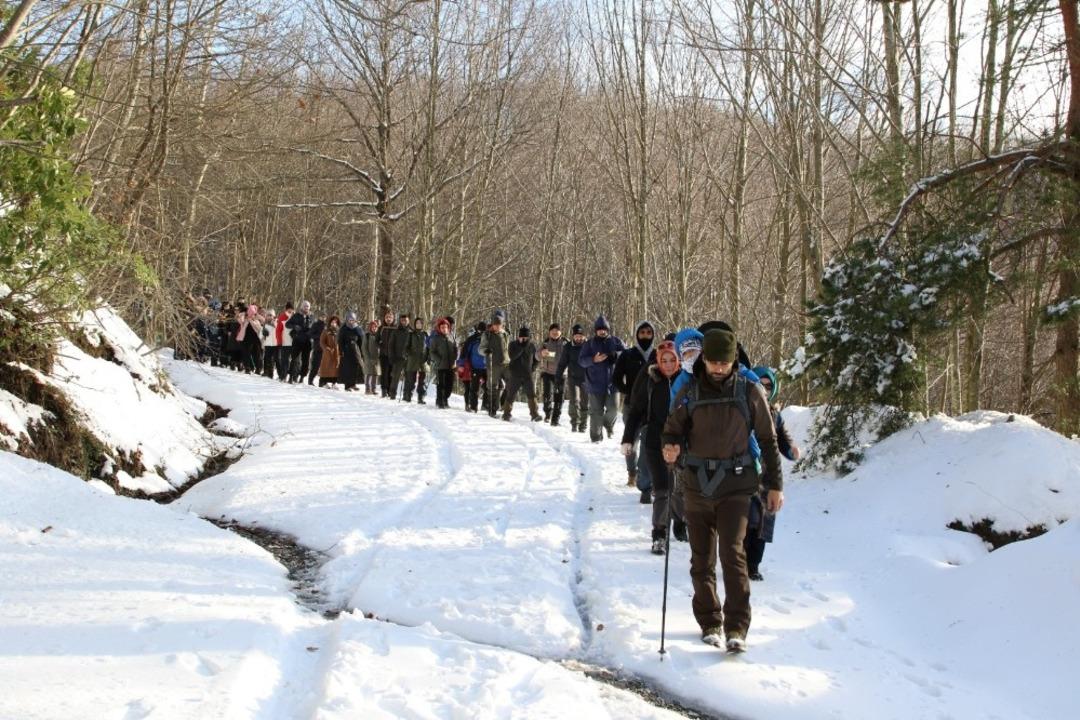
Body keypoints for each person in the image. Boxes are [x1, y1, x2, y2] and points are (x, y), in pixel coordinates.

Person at [661, 328, 784, 654]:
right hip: (696, 484)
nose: (718, 368)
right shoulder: (688, 390)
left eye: (724, 363)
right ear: (704, 359)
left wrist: (775, 485)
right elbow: (671, 430)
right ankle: (710, 622)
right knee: (702, 559)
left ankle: (737, 627)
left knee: (733, 553)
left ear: (733, 361)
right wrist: (670, 446)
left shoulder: (749, 390)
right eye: (713, 361)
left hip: (737, 485)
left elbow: (768, 439)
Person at [622, 339, 687, 553]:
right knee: (662, 488)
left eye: (672, 360)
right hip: (654, 441)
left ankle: (680, 522)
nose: (668, 365)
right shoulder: (651, 381)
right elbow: (636, 411)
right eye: (664, 360)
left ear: (678, 360)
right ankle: (659, 533)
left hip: (680, 442)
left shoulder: (687, 381)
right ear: (658, 361)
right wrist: (628, 438)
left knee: (679, 488)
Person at [744, 366, 800, 581]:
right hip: (744, 473)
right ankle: (740, 561)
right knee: (746, 521)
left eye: (768, 386)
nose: (764, 389)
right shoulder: (743, 408)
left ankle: (754, 565)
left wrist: (791, 450)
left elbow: (782, 440)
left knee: (763, 522)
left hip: (768, 475)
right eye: (760, 384)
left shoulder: (775, 415)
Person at [613, 320, 656, 488]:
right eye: (642, 332)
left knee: (650, 443)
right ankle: (632, 472)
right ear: (637, 334)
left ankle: (648, 477)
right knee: (632, 440)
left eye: (648, 333)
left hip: (653, 406)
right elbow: (616, 378)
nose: (645, 336)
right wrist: (628, 391)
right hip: (632, 406)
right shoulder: (627, 354)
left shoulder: (658, 354)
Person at [578, 315, 625, 443]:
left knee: (614, 409)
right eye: (599, 329)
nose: (602, 331)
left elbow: (627, 354)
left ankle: (608, 424)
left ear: (608, 330)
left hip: (613, 383)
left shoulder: (616, 341)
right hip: (594, 384)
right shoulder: (589, 344)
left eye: (604, 329)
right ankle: (596, 438)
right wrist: (593, 359)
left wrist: (616, 355)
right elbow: (581, 361)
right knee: (595, 412)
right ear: (596, 331)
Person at [503, 326, 543, 422]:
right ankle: (506, 414)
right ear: (518, 337)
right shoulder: (512, 344)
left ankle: (534, 414)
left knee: (531, 395)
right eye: (521, 337)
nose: (523, 339)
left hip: (527, 375)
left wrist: (532, 368)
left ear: (528, 337)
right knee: (511, 395)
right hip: (515, 374)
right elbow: (512, 356)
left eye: (525, 337)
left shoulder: (532, 346)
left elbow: (536, 359)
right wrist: (521, 347)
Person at [556, 324, 589, 431]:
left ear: (584, 336)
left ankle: (583, 424)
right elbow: (562, 363)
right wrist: (558, 376)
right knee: (574, 400)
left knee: (584, 402)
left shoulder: (589, 346)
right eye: (576, 336)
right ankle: (575, 422)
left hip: (586, 379)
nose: (579, 338)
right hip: (573, 378)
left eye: (581, 336)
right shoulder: (568, 347)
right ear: (573, 336)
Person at [480, 313, 510, 418]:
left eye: (499, 324)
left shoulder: (505, 334)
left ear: (502, 325)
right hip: (493, 364)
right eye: (495, 324)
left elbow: (507, 348)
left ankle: (506, 408)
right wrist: (486, 351)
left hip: (506, 363)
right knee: (493, 387)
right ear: (492, 325)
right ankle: (492, 409)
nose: (497, 326)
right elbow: (480, 349)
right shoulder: (487, 335)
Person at [537, 323, 567, 423]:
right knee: (547, 394)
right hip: (548, 373)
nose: (555, 332)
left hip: (561, 374)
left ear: (560, 332)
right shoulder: (545, 343)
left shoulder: (566, 343)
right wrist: (541, 353)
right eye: (552, 331)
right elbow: (536, 356)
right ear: (549, 332)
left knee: (559, 396)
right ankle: (548, 414)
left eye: (557, 330)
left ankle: (556, 417)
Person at [429, 318, 458, 409]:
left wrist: (456, 356)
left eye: (446, 327)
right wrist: (438, 360)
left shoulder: (451, 337)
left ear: (448, 328)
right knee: (441, 385)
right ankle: (440, 401)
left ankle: (445, 399)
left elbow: (455, 349)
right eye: (442, 327)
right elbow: (432, 352)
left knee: (449, 385)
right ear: (439, 328)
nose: (444, 329)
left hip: (451, 365)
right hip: (441, 366)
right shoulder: (436, 339)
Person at [458, 321, 487, 413]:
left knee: (489, 387)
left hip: (487, 367)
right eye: (480, 331)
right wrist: (461, 365)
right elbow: (464, 353)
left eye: (483, 331)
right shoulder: (472, 339)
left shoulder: (489, 339)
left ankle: (486, 406)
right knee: (474, 388)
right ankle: (473, 407)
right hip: (475, 367)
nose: (481, 333)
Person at [286, 300, 315, 383]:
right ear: (302, 307)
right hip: (297, 340)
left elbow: (315, 328)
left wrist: (312, 334)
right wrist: (295, 326)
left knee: (306, 361)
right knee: (294, 359)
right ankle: (291, 377)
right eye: (305, 306)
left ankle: (302, 377)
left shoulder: (312, 316)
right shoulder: (296, 315)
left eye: (308, 306)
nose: (306, 308)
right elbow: (287, 324)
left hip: (307, 342)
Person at [402, 316, 429, 403]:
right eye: (417, 323)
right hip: (412, 360)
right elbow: (406, 347)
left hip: (423, 360)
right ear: (415, 324)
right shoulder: (411, 334)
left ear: (423, 324)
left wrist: (428, 358)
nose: (419, 324)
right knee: (411, 379)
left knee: (422, 381)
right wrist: (408, 353)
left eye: (420, 323)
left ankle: (421, 397)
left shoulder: (425, 335)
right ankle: (408, 396)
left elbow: (428, 348)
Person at [338, 313, 365, 392]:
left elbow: (361, 341)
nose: (351, 321)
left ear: (355, 320)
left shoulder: (358, 329)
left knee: (356, 367)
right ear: (347, 320)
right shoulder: (343, 329)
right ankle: (347, 385)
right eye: (349, 320)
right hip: (346, 351)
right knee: (347, 368)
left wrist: (362, 352)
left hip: (356, 351)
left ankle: (353, 384)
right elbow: (340, 341)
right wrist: (341, 351)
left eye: (352, 320)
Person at [388, 312, 412, 400]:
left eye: (405, 320)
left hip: (408, 359)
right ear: (400, 321)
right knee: (395, 377)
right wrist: (391, 356)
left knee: (408, 378)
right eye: (402, 320)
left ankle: (406, 396)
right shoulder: (396, 331)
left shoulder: (411, 332)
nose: (404, 322)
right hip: (397, 358)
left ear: (408, 321)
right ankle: (392, 394)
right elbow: (391, 345)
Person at [377, 308, 396, 397]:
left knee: (391, 373)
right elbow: (376, 340)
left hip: (393, 355)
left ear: (393, 318)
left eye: (390, 317)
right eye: (387, 317)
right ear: (384, 318)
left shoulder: (395, 328)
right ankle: (384, 390)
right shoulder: (381, 328)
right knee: (384, 373)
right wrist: (380, 344)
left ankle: (389, 390)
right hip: (383, 354)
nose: (388, 319)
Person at [317, 316, 341, 387]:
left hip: (336, 353)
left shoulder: (339, 332)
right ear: (330, 323)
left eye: (335, 322)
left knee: (335, 369)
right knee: (326, 368)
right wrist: (326, 348)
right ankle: (323, 382)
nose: (334, 323)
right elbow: (322, 341)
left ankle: (334, 383)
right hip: (328, 352)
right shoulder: (326, 331)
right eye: (333, 322)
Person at [274, 303, 294, 380]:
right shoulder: (282, 317)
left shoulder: (295, 317)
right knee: (284, 360)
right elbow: (278, 330)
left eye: (291, 310)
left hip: (294, 342)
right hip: (285, 342)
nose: (290, 312)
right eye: (289, 310)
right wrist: (279, 341)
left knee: (294, 361)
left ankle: (293, 376)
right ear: (286, 310)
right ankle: (283, 376)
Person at [362, 320, 381, 395]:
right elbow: (364, 348)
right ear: (370, 327)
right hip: (369, 358)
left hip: (377, 358)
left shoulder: (379, 336)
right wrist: (367, 358)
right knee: (369, 373)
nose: (374, 328)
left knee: (375, 374)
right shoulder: (367, 335)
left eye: (375, 327)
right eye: (372, 327)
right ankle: (367, 389)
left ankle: (373, 389)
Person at [307, 314, 327, 385]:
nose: (323, 318)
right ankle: (310, 381)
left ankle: (322, 383)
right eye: (322, 316)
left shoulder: (326, 326)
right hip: (317, 348)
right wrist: (319, 336)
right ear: (319, 317)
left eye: (324, 317)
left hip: (325, 349)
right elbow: (310, 334)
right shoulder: (315, 324)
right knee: (315, 366)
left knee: (324, 367)